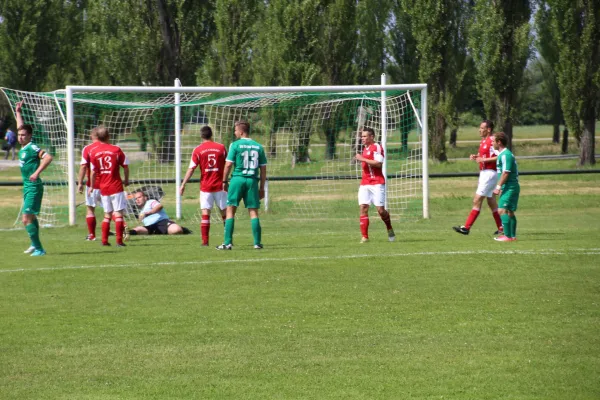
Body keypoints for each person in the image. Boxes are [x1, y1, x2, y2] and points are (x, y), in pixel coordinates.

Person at [216, 120, 267, 250]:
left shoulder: (235, 145)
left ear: (241, 131)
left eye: (235, 130)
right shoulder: (258, 146)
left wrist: (224, 181)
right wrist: (261, 187)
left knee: (230, 210)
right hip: (252, 180)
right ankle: (257, 243)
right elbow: (263, 169)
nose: (234, 132)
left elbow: (228, 165)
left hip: (237, 179)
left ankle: (227, 242)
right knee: (253, 212)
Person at [453, 120, 503, 236]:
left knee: (477, 200)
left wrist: (483, 160)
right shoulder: (483, 141)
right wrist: (476, 157)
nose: (479, 130)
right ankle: (501, 227)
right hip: (485, 173)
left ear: (488, 129)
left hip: (490, 173)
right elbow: (484, 156)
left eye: (482, 128)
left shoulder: (492, 140)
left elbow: (500, 156)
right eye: (479, 128)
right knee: (491, 202)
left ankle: (466, 227)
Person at [15, 101, 53, 256]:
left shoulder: (32, 147)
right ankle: (34, 244)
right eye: (19, 135)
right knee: (31, 216)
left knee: (25, 218)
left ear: (30, 136)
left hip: (34, 186)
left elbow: (48, 157)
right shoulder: (24, 147)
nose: (21, 137)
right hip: (27, 186)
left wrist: (37, 172)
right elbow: (20, 127)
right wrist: (18, 112)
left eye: (24, 135)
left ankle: (39, 249)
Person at [180, 126, 228, 246]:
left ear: (201, 136)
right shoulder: (221, 147)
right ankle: (228, 240)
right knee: (225, 213)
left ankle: (205, 242)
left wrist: (183, 184)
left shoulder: (198, 150)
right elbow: (228, 164)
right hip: (220, 185)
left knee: (206, 213)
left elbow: (191, 169)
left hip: (206, 187)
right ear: (211, 134)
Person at [88, 125, 129, 247]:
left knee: (107, 214)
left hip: (103, 187)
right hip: (116, 186)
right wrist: (126, 180)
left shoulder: (93, 152)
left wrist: (91, 186)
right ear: (108, 136)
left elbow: (94, 172)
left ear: (98, 137)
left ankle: (104, 241)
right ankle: (119, 241)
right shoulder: (116, 150)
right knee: (118, 213)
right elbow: (125, 166)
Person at [354, 127, 395, 243]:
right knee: (363, 207)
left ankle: (389, 227)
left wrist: (362, 159)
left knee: (381, 211)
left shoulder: (376, 147)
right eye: (361, 136)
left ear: (371, 137)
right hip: (365, 183)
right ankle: (365, 237)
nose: (362, 138)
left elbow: (378, 164)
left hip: (377, 183)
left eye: (364, 136)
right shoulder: (365, 148)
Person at [492, 132, 520, 242]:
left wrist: (498, 187)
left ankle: (507, 236)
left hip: (510, 187)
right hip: (509, 186)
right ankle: (512, 236)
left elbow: (506, 173)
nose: (492, 143)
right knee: (509, 211)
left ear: (499, 142)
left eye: (494, 141)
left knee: (501, 210)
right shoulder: (503, 154)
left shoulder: (505, 155)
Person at [77, 130, 103, 241]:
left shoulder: (87, 149)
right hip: (109, 183)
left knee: (90, 209)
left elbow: (83, 167)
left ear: (92, 135)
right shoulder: (111, 147)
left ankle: (92, 235)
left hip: (93, 184)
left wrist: (80, 183)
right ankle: (123, 228)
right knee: (112, 210)